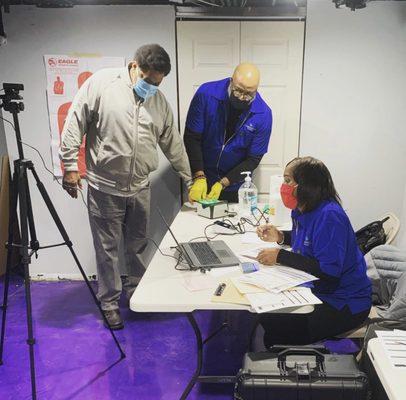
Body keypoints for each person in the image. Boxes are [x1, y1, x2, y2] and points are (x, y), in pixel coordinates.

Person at [60, 44, 192, 330]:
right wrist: (70, 166)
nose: (152, 87)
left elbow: (172, 142)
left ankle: (136, 293)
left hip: (140, 187)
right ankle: (109, 303)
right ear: (134, 67)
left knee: (136, 245)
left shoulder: (158, 101)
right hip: (105, 187)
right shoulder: (102, 84)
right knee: (107, 249)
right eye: (148, 81)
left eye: (158, 83)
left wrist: (190, 179)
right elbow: (75, 122)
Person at [256, 156, 371, 347]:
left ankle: (282, 371)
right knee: (266, 315)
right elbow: (311, 241)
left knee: (277, 326)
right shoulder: (303, 208)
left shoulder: (330, 216)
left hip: (345, 303)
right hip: (320, 290)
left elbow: (330, 272)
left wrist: (281, 256)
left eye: (287, 181)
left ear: (306, 184)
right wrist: (280, 237)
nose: (283, 186)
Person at [184, 63, 272, 203]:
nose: (242, 97)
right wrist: (199, 176)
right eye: (238, 91)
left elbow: (253, 159)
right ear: (231, 81)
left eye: (249, 93)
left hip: (234, 185)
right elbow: (192, 137)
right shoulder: (206, 94)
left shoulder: (263, 114)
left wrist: (223, 183)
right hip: (201, 177)